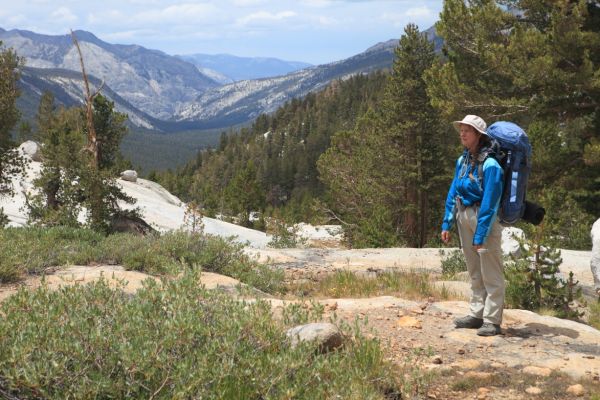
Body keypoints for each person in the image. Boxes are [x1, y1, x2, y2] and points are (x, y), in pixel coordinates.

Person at [441, 115, 505, 336]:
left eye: (468, 130)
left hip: (482, 219)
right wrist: (446, 223)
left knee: (491, 270)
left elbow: (490, 203)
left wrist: (480, 234)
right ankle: (476, 314)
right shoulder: (463, 161)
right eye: (461, 129)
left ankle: (493, 320)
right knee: (474, 270)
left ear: (479, 135)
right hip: (464, 215)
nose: (462, 133)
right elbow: (453, 191)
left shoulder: (491, 165)